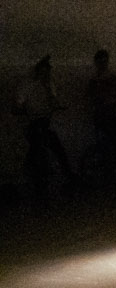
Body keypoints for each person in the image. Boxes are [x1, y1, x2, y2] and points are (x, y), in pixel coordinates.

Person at [13, 55, 73, 193]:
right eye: (43, 72)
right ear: (38, 70)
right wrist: (25, 110)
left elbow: (54, 102)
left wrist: (47, 89)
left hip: (45, 122)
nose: (46, 75)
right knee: (37, 147)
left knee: (56, 147)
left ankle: (67, 176)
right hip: (32, 123)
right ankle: (31, 179)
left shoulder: (49, 84)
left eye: (47, 72)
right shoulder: (27, 85)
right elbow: (17, 106)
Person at [85, 49, 116, 171]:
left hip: (112, 116)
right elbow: (89, 97)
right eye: (100, 62)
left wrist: (111, 100)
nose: (102, 64)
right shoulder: (93, 81)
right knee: (102, 144)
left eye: (104, 61)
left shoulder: (114, 79)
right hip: (100, 116)